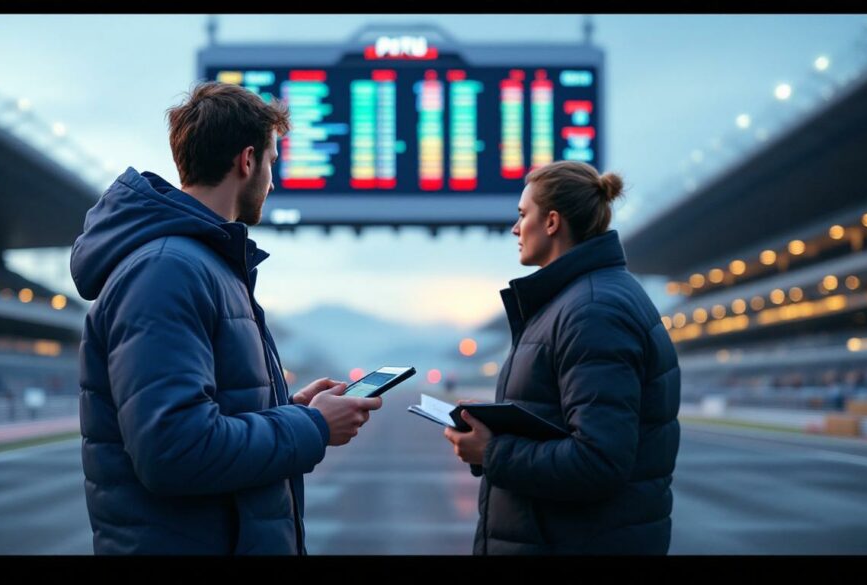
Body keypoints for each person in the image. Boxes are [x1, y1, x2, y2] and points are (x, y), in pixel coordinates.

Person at [70, 82, 382, 555]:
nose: (273, 183)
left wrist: (293, 407)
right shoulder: (166, 271)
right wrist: (313, 428)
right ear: (248, 160)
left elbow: (212, 411)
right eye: (273, 163)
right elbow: (174, 449)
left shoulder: (204, 265)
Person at [443, 160, 680, 555]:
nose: (515, 229)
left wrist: (492, 451)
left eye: (522, 215)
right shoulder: (575, 301)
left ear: (552, 222)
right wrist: (493, 424)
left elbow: (599, 461)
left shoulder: (592, 310)